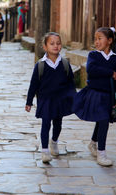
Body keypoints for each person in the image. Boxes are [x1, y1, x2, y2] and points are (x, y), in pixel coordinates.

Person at [72, 27, 116, 167]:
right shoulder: (93, 55)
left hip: (108, 96)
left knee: (102, 120)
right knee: (103, 120)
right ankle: (101, 153)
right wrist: (109, 72)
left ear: (109, 40)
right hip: (95, 94)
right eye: (95, 39)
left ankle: (93, 143)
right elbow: (91, 70)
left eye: (100, 38)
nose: (96, 41)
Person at [25, 32, 76, 163]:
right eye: (52, 43)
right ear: (45, 46)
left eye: (58, 43)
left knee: (58, 124)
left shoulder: (64, 64)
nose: (55, 46)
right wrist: (29, 101)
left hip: (60, 100)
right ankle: (45, 151)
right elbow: (33, 84)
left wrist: (74, 98)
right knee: (46, 124)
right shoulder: (40, 65)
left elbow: (71, 83)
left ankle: (54, 141)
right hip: (45, 100)